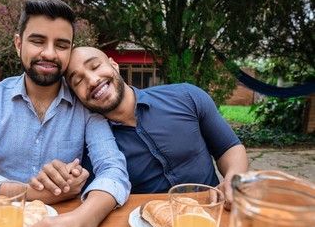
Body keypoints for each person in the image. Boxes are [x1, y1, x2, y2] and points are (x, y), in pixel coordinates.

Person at [0, 0, 130, 227]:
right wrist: (28, 193)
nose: (49, 53)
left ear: (70, 50)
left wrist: (85, 219)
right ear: (19, 44)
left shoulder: (84, 103)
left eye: (61, 45)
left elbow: (113, 169)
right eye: (38, 41)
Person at [31, 46, 249, 209]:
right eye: (78, 81)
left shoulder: (187, 97)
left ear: (113, 64)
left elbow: (229, 147)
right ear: (76, 96)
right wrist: (60, 179)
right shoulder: (95, 149)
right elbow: (81, 189)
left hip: (214, 214)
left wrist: (234, 178)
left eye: (95, 66)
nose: (93, 80)